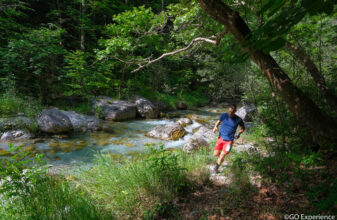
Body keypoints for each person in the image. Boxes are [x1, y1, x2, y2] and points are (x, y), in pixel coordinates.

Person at [212, 104, 245, 174]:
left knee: (221, 156)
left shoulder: (238, 119)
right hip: (220, 138)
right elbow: (218, 122)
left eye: (231, 112)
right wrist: (215, 127)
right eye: (229, 111)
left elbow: (243, 128)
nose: (230, 113)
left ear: (235, 111)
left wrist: (238, 134)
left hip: (229, 141)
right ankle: (221, 159)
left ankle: (216, 169)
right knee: (215, 154)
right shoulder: (224, 115)